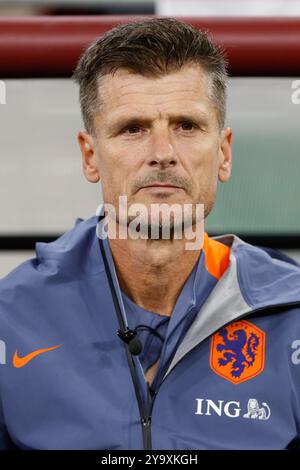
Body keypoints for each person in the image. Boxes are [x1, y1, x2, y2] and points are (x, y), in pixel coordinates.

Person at [0, 17, 300, 451]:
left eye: (187, 126)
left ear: (224, 153)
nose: (162, 155)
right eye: (133, 129)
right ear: (90, 156)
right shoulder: (12, 319)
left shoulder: (290, 316)